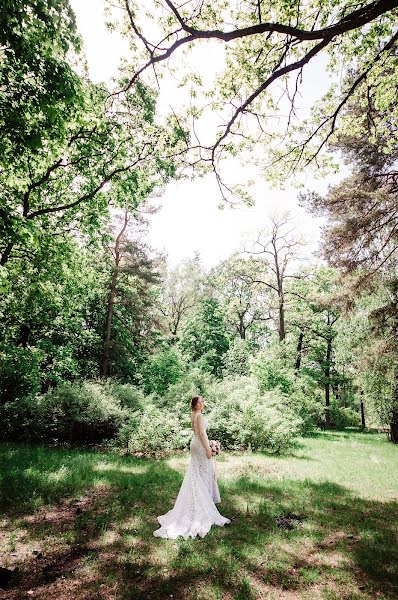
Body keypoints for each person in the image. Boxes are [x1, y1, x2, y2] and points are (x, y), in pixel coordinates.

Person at [153, 395, 230, 539]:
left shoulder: (193, 415)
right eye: (200, 402)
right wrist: (208, 448)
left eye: (202, 401)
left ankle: (199, 501)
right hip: (200, 444)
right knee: (204, 473)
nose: (202, 403)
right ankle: (202, 505)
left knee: (197, 473)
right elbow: (201, 433)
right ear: (195, 404)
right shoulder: (199, 416)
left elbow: (197, 433)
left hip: (194, 444)